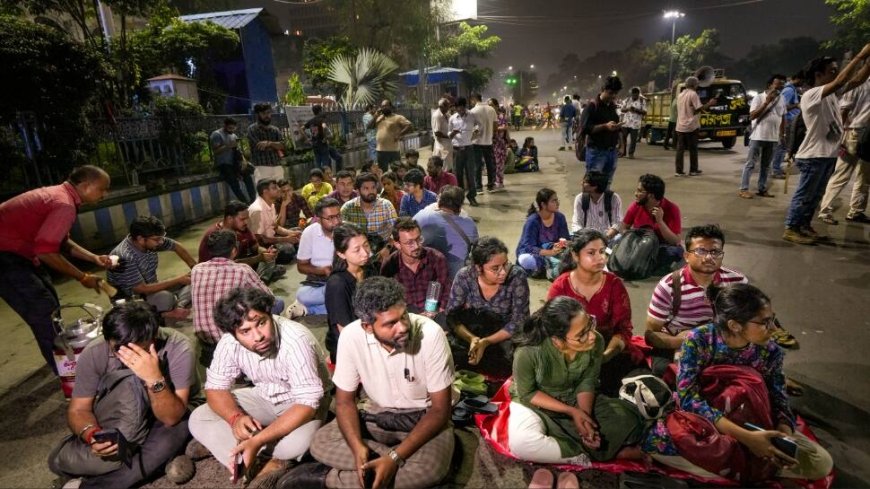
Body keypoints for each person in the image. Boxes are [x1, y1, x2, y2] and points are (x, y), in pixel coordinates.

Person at [642, 284, 833, 482]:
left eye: (773, 319)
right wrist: (746, 438)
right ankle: (741, 464)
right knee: (653, 443)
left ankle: (730, 466)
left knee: (821, 463)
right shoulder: (699, 340)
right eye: (765, 322)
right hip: (709, 421)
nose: (774, 329)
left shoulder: (770, 351)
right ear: (735, 325)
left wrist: (782, 435)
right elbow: (689, 398)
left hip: (754, 420)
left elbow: (779, 398)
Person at [289, 277, 454, 488]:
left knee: (428, 470)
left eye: (404, 316)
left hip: (423, 419)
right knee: (320, 443)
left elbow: (440, 410)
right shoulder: (351, 336)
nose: (403, 327)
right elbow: (344, 402)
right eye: (391, 323)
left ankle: (327, 479)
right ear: (368, 326)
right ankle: (387, 467)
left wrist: (394, 458)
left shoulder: (431, 334)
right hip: (376, 414)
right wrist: (358, 448)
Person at [189, 287, 332, 487]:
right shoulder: (229, 342)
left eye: (261, 323)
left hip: (301, 405)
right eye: (245, 331)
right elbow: (215, 387)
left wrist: (257, 441)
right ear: (234, 333)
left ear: (270, 315)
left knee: (300, 443)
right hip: (264, 396)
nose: (258, 336)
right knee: (198, 417)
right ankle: (258, 458)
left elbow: (307, 404)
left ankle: (251, 448)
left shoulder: (296, 339)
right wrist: (235, 418)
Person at [48, 301, 196, 488]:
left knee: (163, 444)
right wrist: (91, 434)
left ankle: (90, 485)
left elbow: (171, 417)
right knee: (65, 459)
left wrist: (154, 379)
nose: (123, 355)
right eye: (117, 348)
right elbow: (78, 410)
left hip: (173, 407)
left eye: (133, 348)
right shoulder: (95, 352)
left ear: (153, 337)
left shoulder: (178, 347)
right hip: (127, 409)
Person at [508, 296, 644, 469]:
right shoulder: (528, 352)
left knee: (629, 420)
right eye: (581, 335)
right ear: (557, 340)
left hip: (574, 398)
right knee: (522, 444)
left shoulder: (597, 342)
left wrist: (584, 417)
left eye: (590, 325)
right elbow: (527, 393)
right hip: (536, 404)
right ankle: (599, 453)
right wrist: (571, 412)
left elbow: (587, 382)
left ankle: (584, 449)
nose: (592, 337)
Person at [0, 165, 112, 371]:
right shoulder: (64, 204)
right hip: (7, 258)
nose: (105, 194)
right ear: (86, 186)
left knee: (51, 307)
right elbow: (46, 252)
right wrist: (83, 277)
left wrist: (93, 258)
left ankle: (61, 355)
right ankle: (68, 372)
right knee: (43, 311)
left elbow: (61, 242)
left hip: (21, 254)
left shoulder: (61, 196)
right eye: (102, 189)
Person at [783, 46, 870, 244]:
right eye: (832, 70)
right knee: (805, 196)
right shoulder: (812, 94)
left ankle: (804, 226)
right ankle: (791, 228)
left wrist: (868, 63)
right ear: (818, 74)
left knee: (815, 197)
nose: (836, 73)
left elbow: (857, 80)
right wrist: (860, 56)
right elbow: (842, 80)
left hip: (827, 154)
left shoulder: (831, 95)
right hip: (813, 155)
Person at [547, 230, 643, 395]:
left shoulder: (614, 285)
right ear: (575, 256)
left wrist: (604, 356)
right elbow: (552, 329)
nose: (600, 258)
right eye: (591, 253)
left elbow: (623, 329)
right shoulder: (561, 286)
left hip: (608, 351)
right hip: (570, 352)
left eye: (602, 251)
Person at [191, 229, 283, 366]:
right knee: (278, 303)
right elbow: (268, 297)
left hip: (205, 338)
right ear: (234, 251)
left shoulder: (196, 270)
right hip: (232, 337)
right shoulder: (242, 270)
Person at [446, 236, 529, 379]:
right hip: (473, 331)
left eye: (505, 265)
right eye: (495, 268)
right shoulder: (465, 276)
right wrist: (472, 339)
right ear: (478, 268)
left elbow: (518, 321)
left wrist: (487, 342)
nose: (503, 272)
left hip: (503, 335)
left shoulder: (517, 277)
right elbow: (452, 316)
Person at [107, 216, 195, 316]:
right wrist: (178, 280)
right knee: (166, 298)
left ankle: (177, 306)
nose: (161, 242)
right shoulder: (124, 257)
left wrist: (195, 268)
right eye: (157, 239)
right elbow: (141, 289)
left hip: (151, 290)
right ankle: (166, 313)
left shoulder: (149, 242)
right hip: (132, 301)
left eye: (162, 237)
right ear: (140, 239)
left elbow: (177, 246)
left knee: (193, 281)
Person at [817, 76, 870, 224]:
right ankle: (825, 210)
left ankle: (856, 211)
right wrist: (840, 137)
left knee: (864, 177)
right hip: (854, 133)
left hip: (867, 135)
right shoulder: (859, 85)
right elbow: (843, 110)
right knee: (842, 174)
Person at [607, 174, 683, 271]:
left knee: (675, 251)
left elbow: (675, 241)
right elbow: (624, 227)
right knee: (616, 240)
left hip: (659, 246)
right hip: (638, 244)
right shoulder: (636, 205)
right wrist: (630, 238)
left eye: (639, 191)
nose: (635, 193)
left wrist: (660, 221)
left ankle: (640, 264)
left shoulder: (672, 209)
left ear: (651, 195)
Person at [198, 200, 283, 284]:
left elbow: (255, 247)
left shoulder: (242, 228)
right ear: (229, 219)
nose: (246, 222)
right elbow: (226, 265)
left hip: (244, 266)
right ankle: (259, 283)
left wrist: (266, 252)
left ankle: (259, 279)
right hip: (222, 274)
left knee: (272, 259)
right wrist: (258, 258)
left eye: (247, 219)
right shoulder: (216, 236)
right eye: (242, 219)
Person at [381, 217, 450, 318]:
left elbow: (446, 290)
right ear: (398, 245)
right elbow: (387, 298)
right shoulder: (389, 265)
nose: (416, 246)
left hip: (434, 312)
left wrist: (438, 311)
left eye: (418, 239)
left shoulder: (437, 259)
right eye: (409, 243)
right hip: (405, 315)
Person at [324, 224, 374, 362]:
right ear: (341, 254)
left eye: (366, 245)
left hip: (373, 330)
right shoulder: (337, 284)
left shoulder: (369, 269)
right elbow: (346, 331)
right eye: (357, 250)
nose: (365, 253)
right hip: (351, 345)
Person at [414, 185, 479, 279]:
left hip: (428, 269)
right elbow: (475, 249)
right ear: (460, 206)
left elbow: (407, 231)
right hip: (456, 271)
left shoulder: (424, 216)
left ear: (439, 202)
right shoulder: (469, 223)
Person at [739, 75, 787, 199]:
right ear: (770, 85)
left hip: (773, 138)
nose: (781, 86)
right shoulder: (758, 97)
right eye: (778, 84)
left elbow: (783, 117)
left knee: (766, 165)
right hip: (758, 136)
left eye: (783, 84)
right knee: (750, 164)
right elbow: (753, 115)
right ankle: (743, 189)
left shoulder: (782, 99)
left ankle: (762, 188)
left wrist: (782, 134)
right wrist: (766, 102)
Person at [295, 198, 342, 316]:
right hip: (319, 281)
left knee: (345, 291)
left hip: (344, 280)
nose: (336, 221)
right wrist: (322, 270)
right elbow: (301, 266)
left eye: (338, 216)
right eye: (330, 218)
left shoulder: (348, 230)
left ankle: (308, 310)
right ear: (318, 219)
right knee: (302, 295)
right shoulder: (309, 233)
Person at [517, 188, 571, 278]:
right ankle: (548, 267)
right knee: (524, 259)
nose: (557, 203)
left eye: (557, 200)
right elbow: (528, 247)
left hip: (555, 251)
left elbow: (565, 238)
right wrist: (550, 252)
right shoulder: (533, 221)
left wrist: (562, 244)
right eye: (553, 201)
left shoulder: (560, 217)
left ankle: (547, 268)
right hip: (538, 254)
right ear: (543, 204)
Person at [580, 75, 623, 184]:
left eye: (615, 94)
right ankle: (587, 201)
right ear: (602, 90)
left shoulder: (612, 107)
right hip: (596, 152)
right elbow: (585, 129)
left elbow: (617, 128)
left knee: (607, 183)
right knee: (592, 185)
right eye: (610, 93)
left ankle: (603, 202)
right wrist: (605, 126)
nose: (612, 96)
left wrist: (622, 145)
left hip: (612, 152)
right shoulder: (591, 107)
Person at [248, 179, 301, 264]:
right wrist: (285, 239)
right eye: (274, 188)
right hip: (263, 245)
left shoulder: (271, 204)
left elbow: (275, 227)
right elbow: (260, 240)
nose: (279, 190)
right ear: (265, 192)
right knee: (287, 251)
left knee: (298, 232)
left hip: (272, 238)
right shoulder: (258, 210)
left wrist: (291, 233)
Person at [674, 76, 719, 176]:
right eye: (697, 84)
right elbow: (698, 109)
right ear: (694, 85)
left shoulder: (681, 94)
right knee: (693, 149)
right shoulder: (693, 94)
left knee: (680, 150)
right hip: (691, 126)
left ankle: (679, 171)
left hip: (680, 126)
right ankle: (693, 170)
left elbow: (690, 109)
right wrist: (709, 103)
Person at [340, 172, 398, 245]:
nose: (371, 191)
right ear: (358, 191)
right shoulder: (347, 208)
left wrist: (388, 247)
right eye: (366, 188)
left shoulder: (386, 205)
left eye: (373, 187)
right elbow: (341, 234)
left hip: (383, 248)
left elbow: (396, 231)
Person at [211, 117, 255, 204]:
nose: (231, 130)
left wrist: (243, 160)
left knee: (248, 176)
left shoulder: (233, 135)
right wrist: (228, 145)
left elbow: (237, 150)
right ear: (225, 126)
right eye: (229, 128)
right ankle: (245, 203)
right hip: (224, 163)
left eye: (233, 128)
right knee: (234, 183)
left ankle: (253, 200)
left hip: (235, 162)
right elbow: (215, 151)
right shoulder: (217, 134)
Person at [770, 73, 804, 178]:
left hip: (789, 121)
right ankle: (775, 170)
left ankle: (777, 168)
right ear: (797, 79)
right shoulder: (789, 90)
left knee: (783, 147)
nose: (803, 83)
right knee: (782, 146)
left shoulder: (792, 89)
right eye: (802, 80)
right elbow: (783, 108)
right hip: (787, 121)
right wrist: (797, 105)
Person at [449, 97, 480, 206]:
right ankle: (460, 197)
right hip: (457, 150)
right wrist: (453, 133)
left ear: (465, 107)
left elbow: (478, 125)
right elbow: (449, 135)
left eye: (462, 108)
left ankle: (472, 196)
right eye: (458, 108)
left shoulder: (471, 115)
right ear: (456, 108)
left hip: (468, 149)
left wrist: (476, 131)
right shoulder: (452, 118)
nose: (460, 110)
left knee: (470, 174)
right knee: (458, 174)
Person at [571, 171, 623, 236]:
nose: (581, 183)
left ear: (595, 186)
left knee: (619, 238)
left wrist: (606, 238)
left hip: (608, 237)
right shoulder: (580, 198)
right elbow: (576, 223)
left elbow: (617, 223)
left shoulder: (613, 198)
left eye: (585, 182)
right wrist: (584, 238)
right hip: (586, 237)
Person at [247, 103, 286, 183]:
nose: (267, 116)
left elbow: (282, 145)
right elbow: (259, 146)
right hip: (261, 167)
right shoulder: (252, 129)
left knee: (281, 191)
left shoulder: (275, 130)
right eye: (263, 113)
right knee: (265, 193)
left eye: (268, 113)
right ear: (258, 115)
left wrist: (269, 143)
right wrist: (276, 145)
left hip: (277, 165)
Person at [371, 99, 413, 169]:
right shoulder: (379, 117)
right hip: (380, 150)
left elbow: (409, 125)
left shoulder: (398, 117)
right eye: (382, 106)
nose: (384, 108)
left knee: (397, 171)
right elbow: (370, 126)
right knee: (382, 171)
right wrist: (375, 115)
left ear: (391, 107)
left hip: (393, 150)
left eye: (386, 106)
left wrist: (399, 135)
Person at [470, 93, 498, 192]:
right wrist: (490, 134)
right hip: (488, 141)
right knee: (489, 164)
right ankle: (491, 185)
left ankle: (479, 187)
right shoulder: (492, 109)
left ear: (474, 99)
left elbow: (471, 128)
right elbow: (495, 127)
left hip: (476, 142)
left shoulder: (473, 111)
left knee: (477, 165)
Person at [304, 104, 342, 169]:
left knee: (318, 162)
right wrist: (325, 137)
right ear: (320, 111)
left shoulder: (311, 121)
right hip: (322, 143)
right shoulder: (321, 119)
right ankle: (327, 176)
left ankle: (320, 175)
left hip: (315, 144)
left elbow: (302, 128)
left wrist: (307, 138)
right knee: (325, 163)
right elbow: (324, 127)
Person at [620, 87, 647, 159]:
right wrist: (628, 109)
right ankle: (623, 152)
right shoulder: (627, 100)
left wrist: (636, 110)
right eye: (633, 95)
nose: (634, 96)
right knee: (623, 138)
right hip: (626, 123)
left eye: (636, 95)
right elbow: (622, 109)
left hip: (635, 124)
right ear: (631, 94)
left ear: (638, 94)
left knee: (633, 140)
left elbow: (644, 112)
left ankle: (631, 153)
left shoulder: (642, 101)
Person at [490, 98, 510, 192]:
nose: (490, 107)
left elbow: (505, 128)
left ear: (496, 106)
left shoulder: (501, 117)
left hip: (500, 143)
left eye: (491, 105)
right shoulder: (488, 117)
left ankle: (500, 182)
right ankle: (493, 182)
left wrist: (509, 142)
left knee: (500, 164)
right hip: (490, 143)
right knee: (492, 164)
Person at [432, 98, 454, 171]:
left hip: (448, 144)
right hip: (441, 145)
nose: (448, 108)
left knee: (449, 165)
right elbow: (437, 133)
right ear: (441, 106)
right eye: (447, 106)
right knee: (444, 166)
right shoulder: (437, 116)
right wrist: (449, 136)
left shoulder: (447, 114)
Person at [663, 86, 682, 150]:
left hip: (671, 118)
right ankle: (674, 146)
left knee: (668, 133)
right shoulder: (678, 101)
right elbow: (677, 111)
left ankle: (665, 145)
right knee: (675, 134)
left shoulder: (674, 100)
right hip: (675, 120)